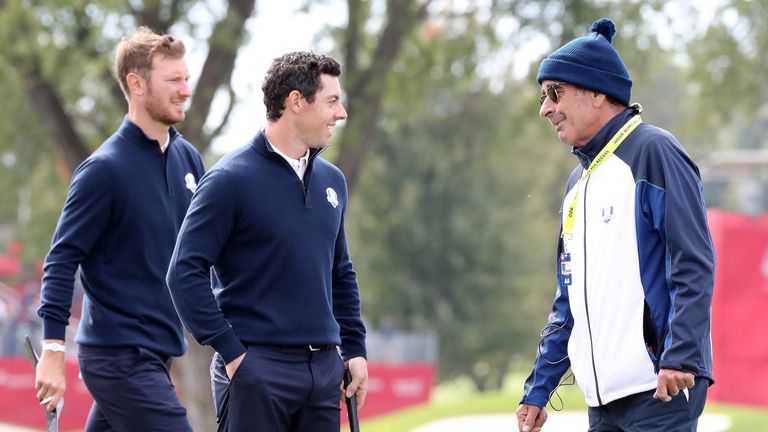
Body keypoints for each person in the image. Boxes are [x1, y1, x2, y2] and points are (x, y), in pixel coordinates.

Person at [516, 18, 715, 432]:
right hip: (602, 404)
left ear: (596, 92)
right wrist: (539, 387)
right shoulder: (577, 182)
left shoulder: (655, 151)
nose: (545, 108)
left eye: (555, 92)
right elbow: (567, 299)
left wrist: (681, 355)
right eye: (543, 96)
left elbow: (693, 263)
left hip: (659, 391)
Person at [166, 51, 368, 431]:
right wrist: (232, 352)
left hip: (324, 373)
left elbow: (340, 273)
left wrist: (355, 348)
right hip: (257, 370)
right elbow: (183, 273)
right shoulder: (230, 179)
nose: (341, 114)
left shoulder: (332, 182)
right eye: (332, 101)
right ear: (296, 102)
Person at [35, 26, 204, 431]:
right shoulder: (103, 171)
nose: (185, 90)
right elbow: (61, 261)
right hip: (118, 355)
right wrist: (54, 349)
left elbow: (207, 257)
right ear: (137, 83)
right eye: (174, 80)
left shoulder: (189, 161)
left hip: (159, 352)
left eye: (186, 79)